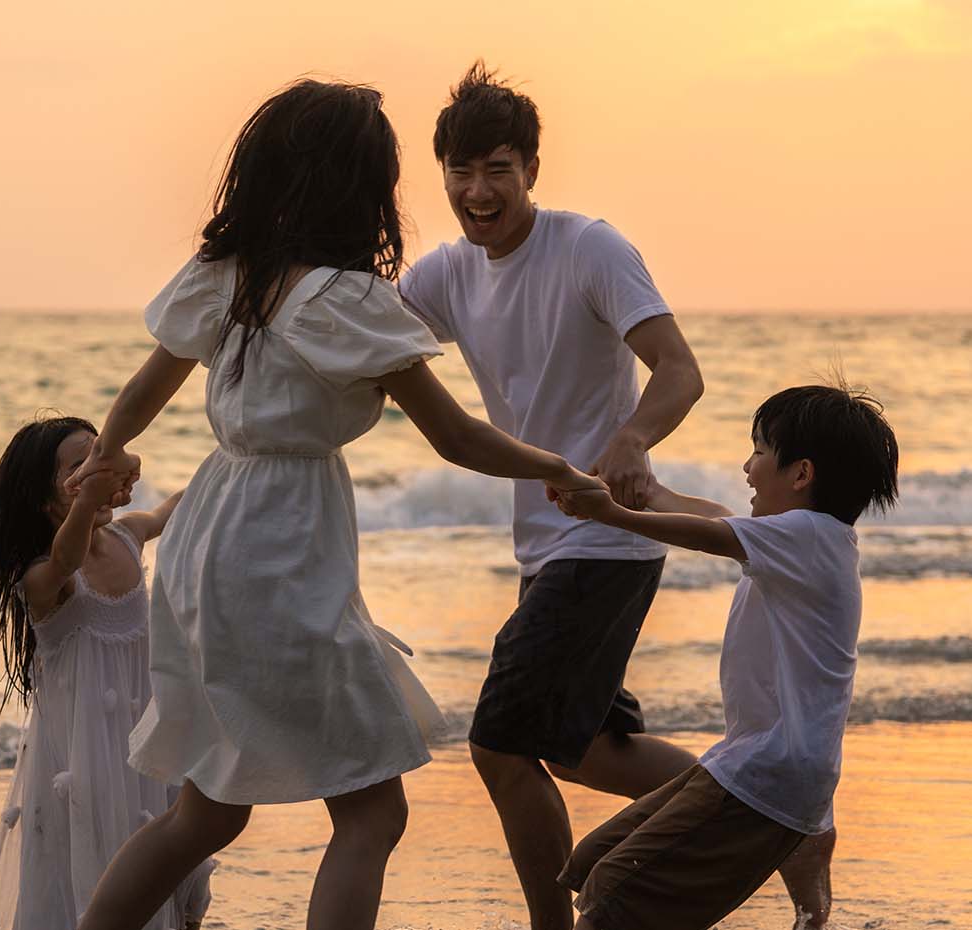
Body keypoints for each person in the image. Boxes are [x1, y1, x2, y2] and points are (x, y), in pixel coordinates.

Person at [68, 79, 605, 930]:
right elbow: (457, 438)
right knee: (371, 813)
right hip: (283, 545)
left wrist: (104, 456)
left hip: (209, 535)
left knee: (207, 812)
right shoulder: (347, 300)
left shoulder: (225, 275)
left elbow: (143, 390)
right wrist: (563, 470)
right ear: (361, 186)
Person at [397, 61, 708, 930]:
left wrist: (632, 436)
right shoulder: (445, 275)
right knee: (589, 749)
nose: (477, 189)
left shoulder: (589, 248)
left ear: (531, 168)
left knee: (499, 744)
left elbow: (680, 372)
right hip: (545, 544)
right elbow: (360, 353)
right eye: (460, 171)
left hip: (608, 537)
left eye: (498, 167)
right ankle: (755, 804)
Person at [551, 384, 900, 930]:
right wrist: (630, 489)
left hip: (767, 773)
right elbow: (708, 514)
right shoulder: (802, 540)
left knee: (612, 890)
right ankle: (809, 877)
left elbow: (707, 533)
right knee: (590, 863)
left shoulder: (810, 536)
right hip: (750, 761)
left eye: (759, 452)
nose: (747, 467)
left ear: (801, 474)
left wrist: (610, 516)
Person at [0, 415, 213, 930]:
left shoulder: (129, 537)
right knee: (88, 864)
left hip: (145, 740)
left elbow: (173, 510)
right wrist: (89, 496)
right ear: (46, 499)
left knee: (173, 856)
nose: (96, 471)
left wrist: (233, 459)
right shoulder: (42, 577)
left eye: (99, 456)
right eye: (79, 467)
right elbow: (66, 557)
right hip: (82, 760)